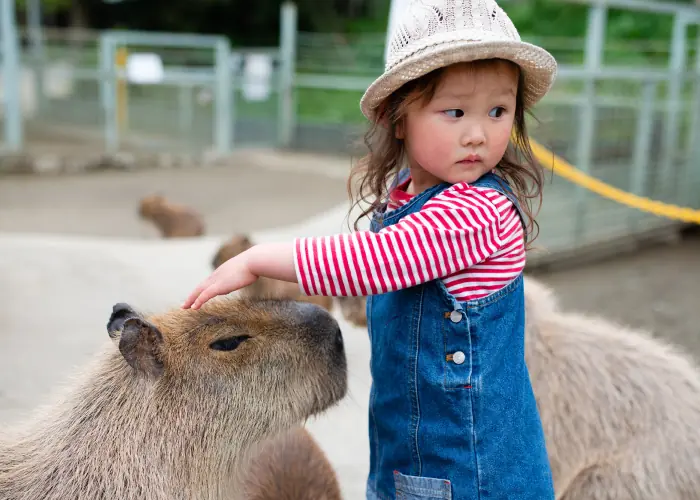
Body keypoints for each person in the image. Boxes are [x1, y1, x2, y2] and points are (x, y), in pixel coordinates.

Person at [182, 0, 558, 497]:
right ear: (397, 116)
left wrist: (256, 259)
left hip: (473, 471)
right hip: (412, 450)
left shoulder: (476, 212)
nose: (478, 133)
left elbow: (367, 262)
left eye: (498, 111)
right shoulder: (410, 195)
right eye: (455, 111)